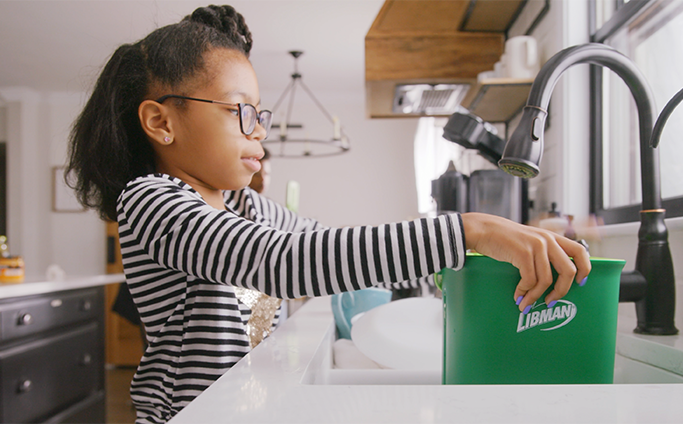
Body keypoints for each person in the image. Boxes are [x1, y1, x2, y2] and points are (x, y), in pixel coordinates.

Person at [66, 5, 590, 423]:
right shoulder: (153, 201)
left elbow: (333, 247)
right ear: (161, 122)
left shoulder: (248, 206)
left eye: (260, 113)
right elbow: (285, 262)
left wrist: (459, 256)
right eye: (239, 111)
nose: (259, 130)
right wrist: (469, 228)